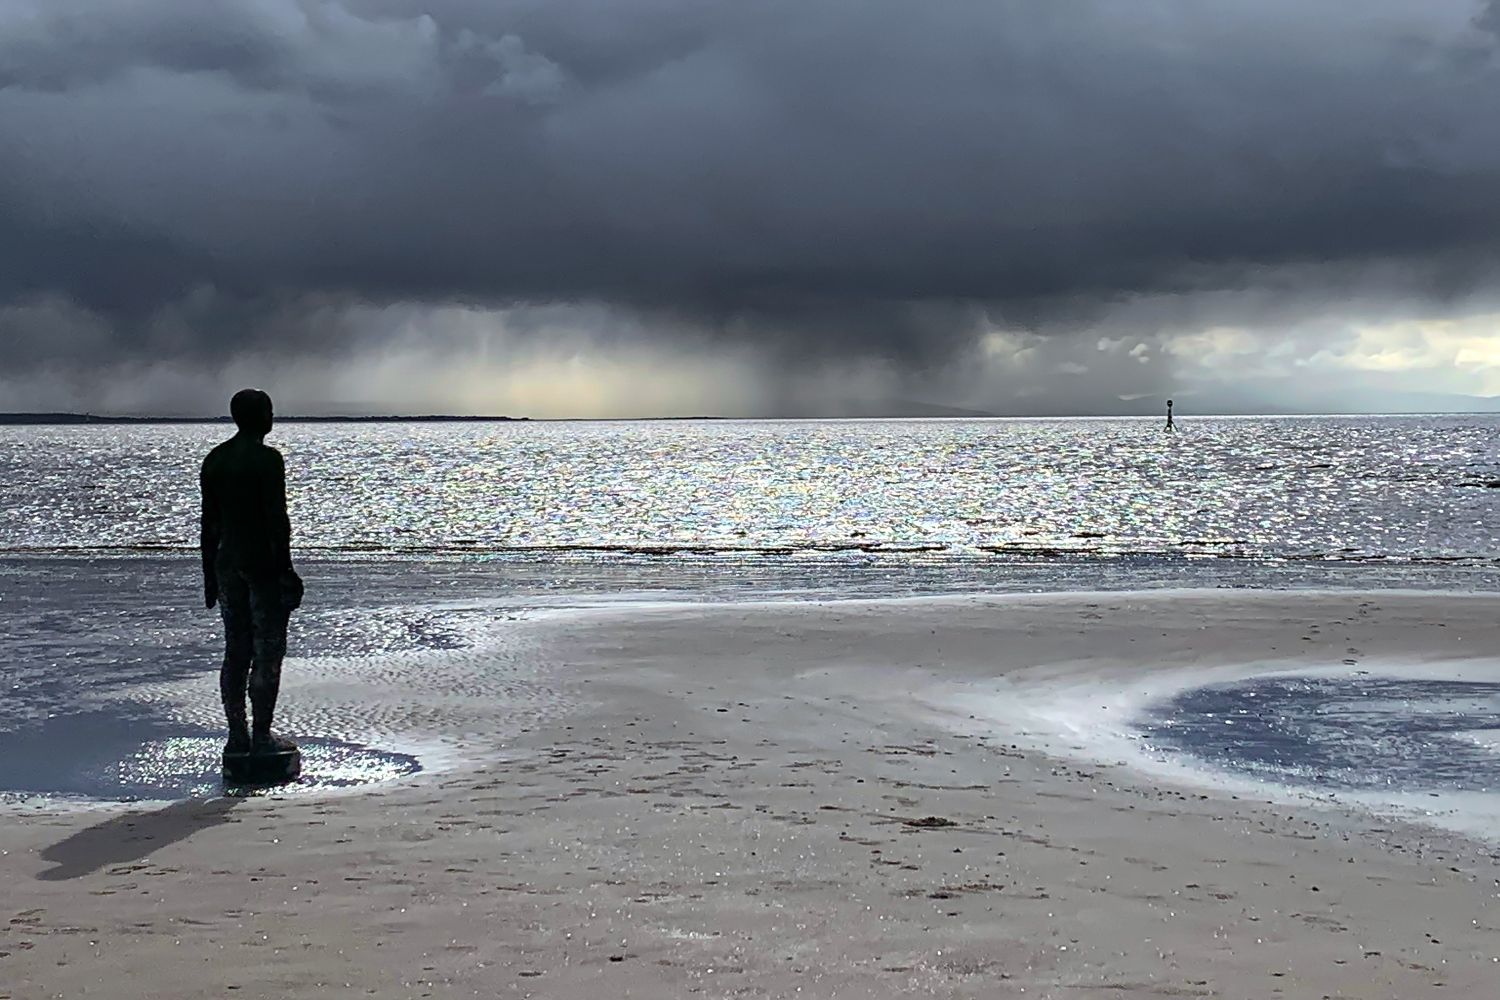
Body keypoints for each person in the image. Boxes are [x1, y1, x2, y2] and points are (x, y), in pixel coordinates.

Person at [201, 389, 303, 756]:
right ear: (258, 416)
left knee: (236, 651)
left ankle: (236, 735)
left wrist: (209, 575)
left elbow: (209, 524)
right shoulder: (267, 460)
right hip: (261, 564)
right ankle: (260, 735)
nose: (271, 416)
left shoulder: (215, 460)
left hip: (227, 563)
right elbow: (277, 520)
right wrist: (287, 570)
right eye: (268, 410)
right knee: (267, 651)